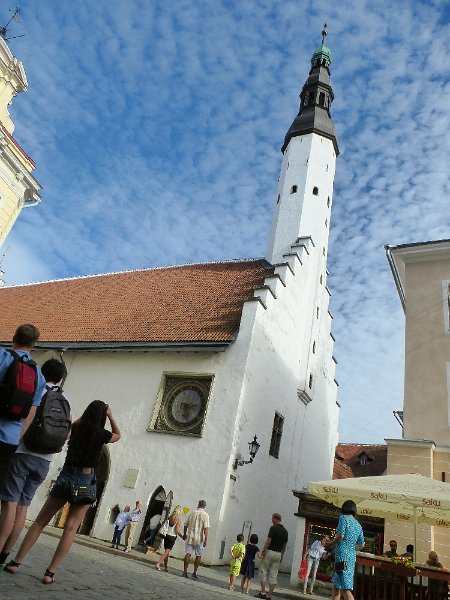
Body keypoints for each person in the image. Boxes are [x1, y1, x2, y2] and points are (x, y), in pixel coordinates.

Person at [4, 400, 120, 584]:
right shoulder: (101, 434)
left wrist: (84, 416)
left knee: (40, 522)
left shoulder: (76, 429)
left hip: (66, 475)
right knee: (71, 528)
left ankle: (16, 562)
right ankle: (50, 573)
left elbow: (70, 429)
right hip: (85, 479)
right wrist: (110, 415)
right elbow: (118, 435)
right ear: (102, 417)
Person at [0, 359, 68, 566]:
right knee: (23, 506)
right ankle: (6, 553)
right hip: (45, 460)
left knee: (9, 504)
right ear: (61, 377)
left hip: (23, 453)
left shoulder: (36, 389)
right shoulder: (67, 398)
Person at [0, 324, 46, 484]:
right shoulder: (38, 375)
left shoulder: (2, 357)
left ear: (13, 339)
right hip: (9, 439)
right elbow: (31, 413)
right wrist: (17, 436)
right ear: (34, 345)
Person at [327, 499, 365, 600]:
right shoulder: (358, 525)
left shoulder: (343, 518)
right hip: (351, 558)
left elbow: (340, 535)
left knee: (344, 589)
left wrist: (330, 543)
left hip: (342, 557)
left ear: (344, 508)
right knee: (336, 588)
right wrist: (351, 548)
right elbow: (362, 545)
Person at [256, 512, 288, 600]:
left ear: (275, 519)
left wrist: (263, 550)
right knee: (274, 574)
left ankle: (263, 592)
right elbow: (284, 545)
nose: (271, 520)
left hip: (270, 552)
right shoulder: (285, 531)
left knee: (263, 570)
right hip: (278, 554)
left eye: (272, 518)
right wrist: (282, 555)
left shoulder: (273, 528)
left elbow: (269, 540)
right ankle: (269, 595)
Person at [182, 499, 209, 581]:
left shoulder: (192, 513)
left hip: (190, 536)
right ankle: (194, 573)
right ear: (204, 506)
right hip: (199, 538)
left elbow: (185, 525)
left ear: (198, 504)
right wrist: (206, 539)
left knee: (188, 553)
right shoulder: (205, 515)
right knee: (198, 555)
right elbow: (206, 528)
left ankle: (185, 571)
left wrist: (184, 533)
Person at [155, 505, 182, 572]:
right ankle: (158, 564)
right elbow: (177, 531)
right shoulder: (178, 519)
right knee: (166, 552)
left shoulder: (170, 517)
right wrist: (182, 536)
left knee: (166, 552)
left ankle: (166, 566)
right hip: (172, 537)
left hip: (166, 535)